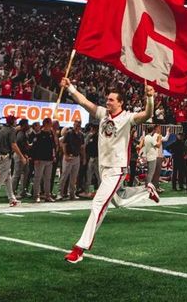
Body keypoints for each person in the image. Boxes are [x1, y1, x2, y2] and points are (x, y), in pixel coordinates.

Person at [60, 78, 160, 264]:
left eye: (111, 99)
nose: (108, 101)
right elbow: (84, 102)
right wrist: (70, 88)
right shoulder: (103, 114)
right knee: (119, 200)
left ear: (120, 103)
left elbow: (147, 114)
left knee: (98, 204)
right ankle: (147, 190)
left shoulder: (128, 118)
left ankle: (79, 248)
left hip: (117, 168)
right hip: (103, 167)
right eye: (107, 99)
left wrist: (150, 98)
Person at [0, 114, 19, 207]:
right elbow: (13, 145)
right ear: (12, 122)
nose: (16, 122)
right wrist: (21, 156)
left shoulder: (2, 129)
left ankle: (12, 199)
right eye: (15, 120)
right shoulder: (11, 130)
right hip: (5, 156)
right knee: (1, 179)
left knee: (7, 178)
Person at [60, 121, 84, 200]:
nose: (77, 127)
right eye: (76, 125)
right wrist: (66, 155)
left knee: (74, 177)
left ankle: (72, 194)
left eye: (79, 125)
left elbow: (82, 147)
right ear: (73, 125)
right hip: (68, 157)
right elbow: (64, 145)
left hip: (77, 157)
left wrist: (83, 157)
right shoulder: (69, 133)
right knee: (64, 176)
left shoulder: (81, 135)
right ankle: (60, 193)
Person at [139, 124, 163, 190]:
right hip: (152, 157)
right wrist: (160, 139)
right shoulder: (150, 138)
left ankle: (147, 186)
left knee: (149, 172)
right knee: (151, 173)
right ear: (153, 131)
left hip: (149, 156)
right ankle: (148, 187)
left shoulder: (146, 137)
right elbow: (158, 145)